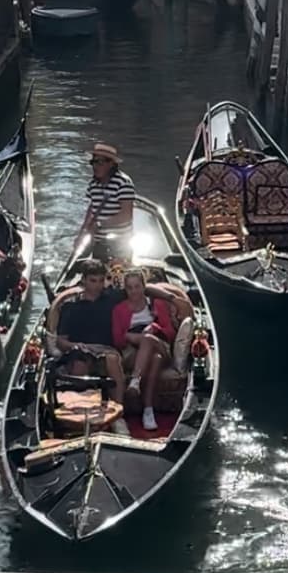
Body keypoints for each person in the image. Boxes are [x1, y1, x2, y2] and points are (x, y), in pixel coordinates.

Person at [111, 269, 177, 432]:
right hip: (132, 351)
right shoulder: (119, 310)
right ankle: (148, 410)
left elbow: (170, 333)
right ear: (125, 289)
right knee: (155, 359)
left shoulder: (156, 304)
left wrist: (154, 327)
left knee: (148, 339)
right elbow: (117, 340)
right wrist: (131, 337)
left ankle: (135, 381)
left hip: (160, 344)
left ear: (143, 286)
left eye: (137, 286)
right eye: (130, 288)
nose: (134, 291)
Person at [55, 259, 126, 401]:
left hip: (106, 350)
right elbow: (61, 341)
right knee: (79, 365)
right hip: (82, 350)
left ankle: (119, 411)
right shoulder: (70, 307)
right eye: (93, 281)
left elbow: (144, 288)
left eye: (101, 281)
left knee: (111, 360)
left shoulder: (112, 297)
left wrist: (171, 297)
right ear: (84, 280)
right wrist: (74, 345)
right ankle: (81, 411)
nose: (98, 286)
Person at [79, 142, 135, 255]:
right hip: (99, 242)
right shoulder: (93, 184)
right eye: (93, 162)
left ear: (111, 164)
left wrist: (100, 224)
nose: (95, 166)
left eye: (99, 162)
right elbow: (92, 209)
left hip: (120, 244)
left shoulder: (123, 183)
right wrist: (82, 233)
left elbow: (126, 216)